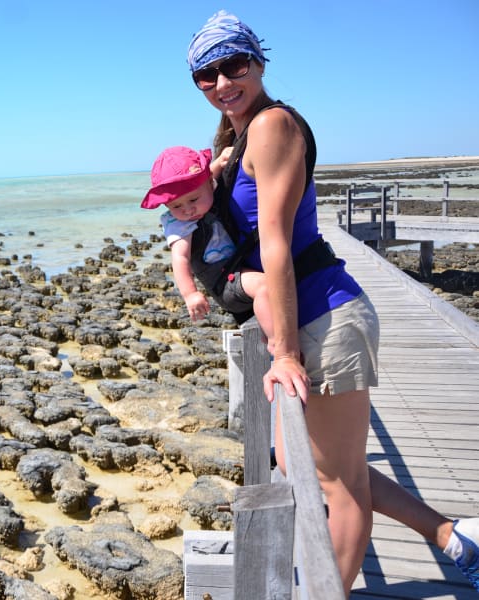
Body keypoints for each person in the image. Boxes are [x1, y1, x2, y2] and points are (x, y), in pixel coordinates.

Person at [185, 9, 479, 595]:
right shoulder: (236, 133)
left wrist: (285, 352)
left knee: (339, 487)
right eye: (206, 75)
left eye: (233, 65)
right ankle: (450, 535)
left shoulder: (272, 125)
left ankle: (330, 590)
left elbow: (275, 240)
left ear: (258, 62)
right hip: (312, 313)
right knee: (305, 465)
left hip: (325, 315)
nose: (222, 83)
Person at [140, 145, 273, 338]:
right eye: (176, 205)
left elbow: (207, 175)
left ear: (210, 185)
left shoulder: (208, 188)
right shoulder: (179, 225)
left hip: (238, 270)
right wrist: (190, 294)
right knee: (267, 286)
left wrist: (219, 162)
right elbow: (180, 258)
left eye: (193, 200)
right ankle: (277, 341)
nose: (187, 210)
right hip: (225, 283)